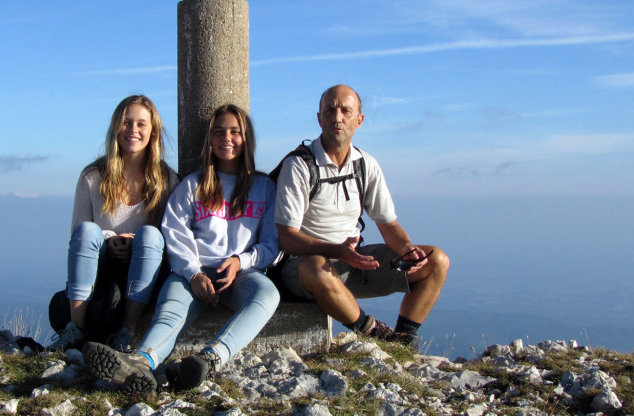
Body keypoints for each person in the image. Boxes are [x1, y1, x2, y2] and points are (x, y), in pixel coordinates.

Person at [84, 104, 280, 395]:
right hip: (192, 274)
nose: (227, 138)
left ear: (247, 138)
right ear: (210, 139)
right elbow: (174, 233)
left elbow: (272, 244)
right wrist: (193, 273)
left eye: (235, 132)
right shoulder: (192, 185)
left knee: (268, 295)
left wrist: (241, 261)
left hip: (241, 275)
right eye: (219, 132)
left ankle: (209, 359)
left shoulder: (265, 187)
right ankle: (141, 363)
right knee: (169, 314)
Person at [273, 84, 449, 348]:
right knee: (317, 267)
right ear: (319, 118)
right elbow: (287, 238)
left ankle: (403, 341)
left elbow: (388, 224)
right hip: (303, 269)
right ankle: (373, 332)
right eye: (330, 110)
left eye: (346, 110)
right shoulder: (299, 165)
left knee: (436, 260)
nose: (337, 117)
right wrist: (338, 251)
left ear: (359, 120)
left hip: (354, 263)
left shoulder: (366, 165)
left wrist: (407, 249)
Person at [59, 95, 177, 352]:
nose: (133, 130)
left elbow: (172, 237)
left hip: (145, 268)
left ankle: (127, 332)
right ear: (115, 127)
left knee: (150, 235)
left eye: (141, 124)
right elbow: (78, 236)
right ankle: (75, 329)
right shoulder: (93, 176)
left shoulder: (167, 180)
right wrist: (109, 238)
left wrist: (135, 241)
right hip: (101, 268)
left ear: (153, 131)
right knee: (88, 231)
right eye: (126, 122)